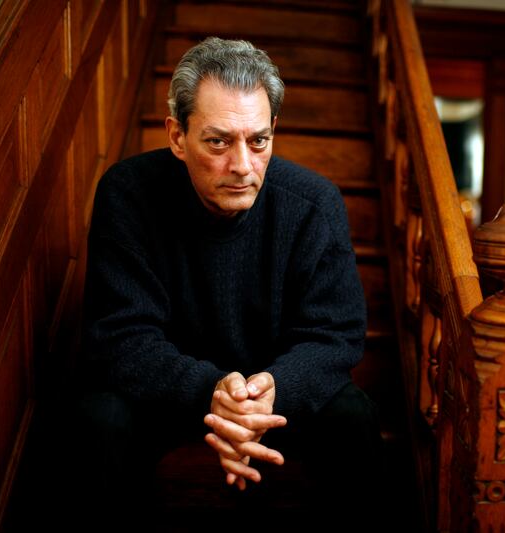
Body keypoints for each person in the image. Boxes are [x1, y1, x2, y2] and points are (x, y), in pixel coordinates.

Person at [74, 37, 382, 528]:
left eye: (258, 140)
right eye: (218, 141)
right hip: (169, 393)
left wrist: (271, 390)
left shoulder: (315, 202)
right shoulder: (127, 193)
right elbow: (120, 338)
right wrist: (209, 391)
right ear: (177, 136)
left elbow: (335, 335)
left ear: (273, 131)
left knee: (355, 418)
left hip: (277, 394)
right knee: (98, 419)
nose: (242, 165)